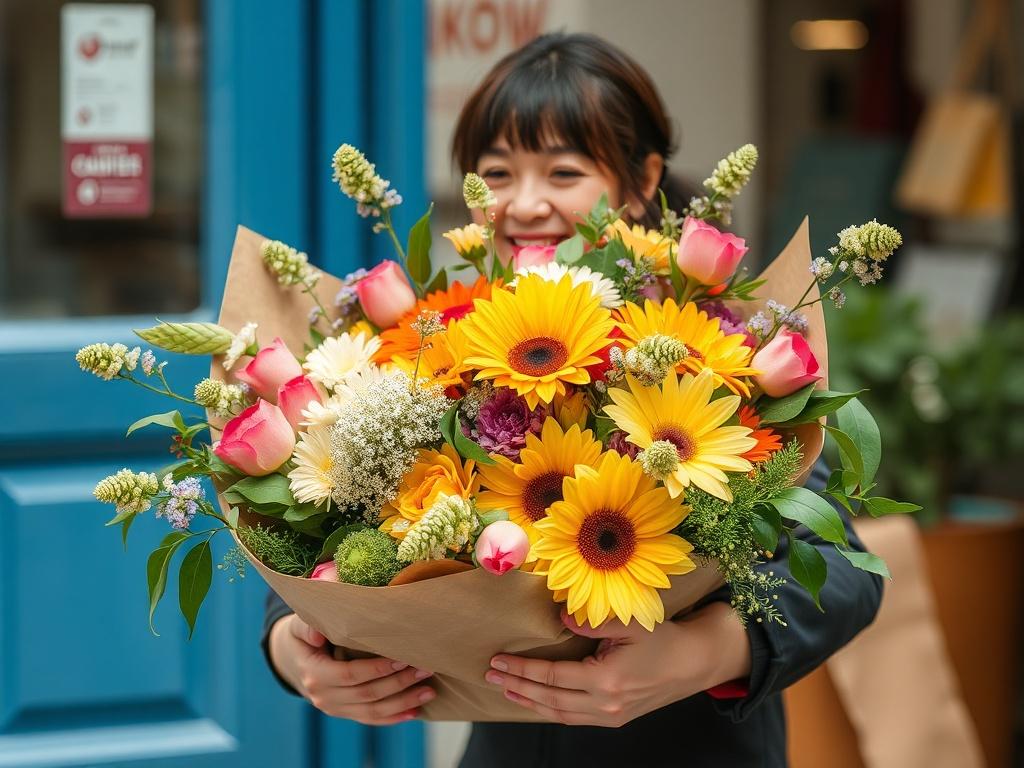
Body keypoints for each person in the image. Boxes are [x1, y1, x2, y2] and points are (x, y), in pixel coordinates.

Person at [262, 32, 883, 767]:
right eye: (496, 173)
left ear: (642, 179)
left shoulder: (716, 349)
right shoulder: (433, 343)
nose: (525, 204)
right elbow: (311, 532)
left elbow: (845, 573)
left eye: (562, 171)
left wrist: (701, 653)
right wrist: (294, 652)